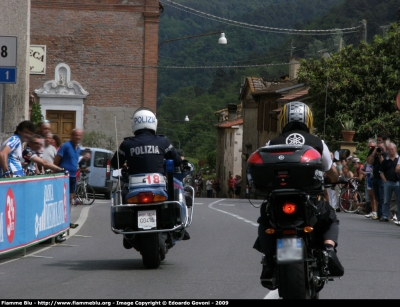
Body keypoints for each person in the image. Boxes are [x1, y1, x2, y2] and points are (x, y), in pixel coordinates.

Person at [253, 101, 344, 290]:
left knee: (265, 219)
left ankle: (269, 259)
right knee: (330, 218)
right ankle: (328, 249)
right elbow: (330, 170)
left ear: (283, 120)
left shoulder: (272, 143)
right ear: (308, 120)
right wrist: (336, 178)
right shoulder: (318, 142)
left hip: (278, 201)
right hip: (308, 201)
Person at [110, 107, 189, 246]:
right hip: (158, 187)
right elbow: (176, 160)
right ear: (154, 122)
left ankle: (128, 229)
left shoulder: (127, 144)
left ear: (134, 123)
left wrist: (123, 166)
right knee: (176, 195)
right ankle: (179, 226)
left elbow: (114, 164)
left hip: (135, 190)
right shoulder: (162, 141)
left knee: (123, 196)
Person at [53, 129, 84, 229]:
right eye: (76, 135)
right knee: (62, 199)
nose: (78, 137)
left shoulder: (78, 149)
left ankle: (67, 221)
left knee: (70, 200)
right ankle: (58, 221)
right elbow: (56, 160)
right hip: (64, 176)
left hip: (73, 177)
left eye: (79, 136)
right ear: (72, 135)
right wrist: (55, 173)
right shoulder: (66, 146)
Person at [379, 143, 400, 222]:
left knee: (399, 200)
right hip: (389, 182)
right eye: (389, 149)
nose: (391, 151)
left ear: (395, 149)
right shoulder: (386, 160)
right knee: (386, 200)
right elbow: (381, 172)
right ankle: (385, 216)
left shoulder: (399, 159)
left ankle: (399, 217)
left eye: (392, 149)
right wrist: (385, 181)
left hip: (398, 182)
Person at [367, 141, 387, 220]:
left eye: (381, 147)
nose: (379, 149)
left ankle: (382, 214)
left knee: (382, 197)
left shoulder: (386, 155)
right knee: (377, 197)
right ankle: (379, 214)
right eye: (378, 147)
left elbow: (384, 163)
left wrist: (381, 155)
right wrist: (374, 153)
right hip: (375, 177)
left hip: (382, 178)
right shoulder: (374, 154)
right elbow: (369, 162)